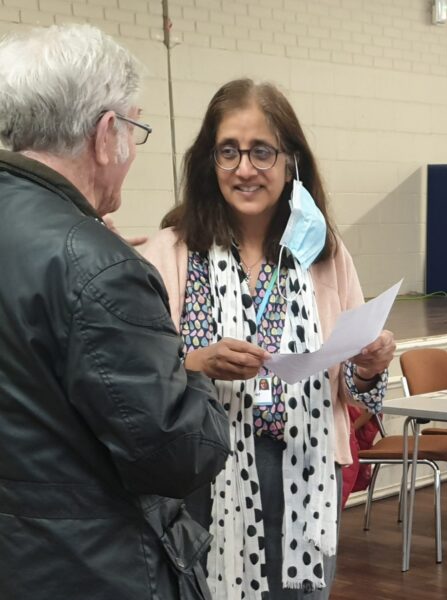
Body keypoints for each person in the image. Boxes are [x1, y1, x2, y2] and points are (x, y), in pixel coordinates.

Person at [139, 78, 396, 599]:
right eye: (228, 151)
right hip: (199, 478)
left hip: (304, 471)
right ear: (208, 162)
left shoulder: (323, 253)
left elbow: (353, 387)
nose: (245, 168)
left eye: (261, 151)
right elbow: (136, 374)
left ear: (289, 160)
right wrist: (197, 361)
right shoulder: (168, 252)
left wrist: (367, 366)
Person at [0, 24, 230, 600]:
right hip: (93, 568)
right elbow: (177, 454)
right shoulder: (100, 268)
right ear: (107, 135)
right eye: (135, 127)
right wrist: (191, 370)